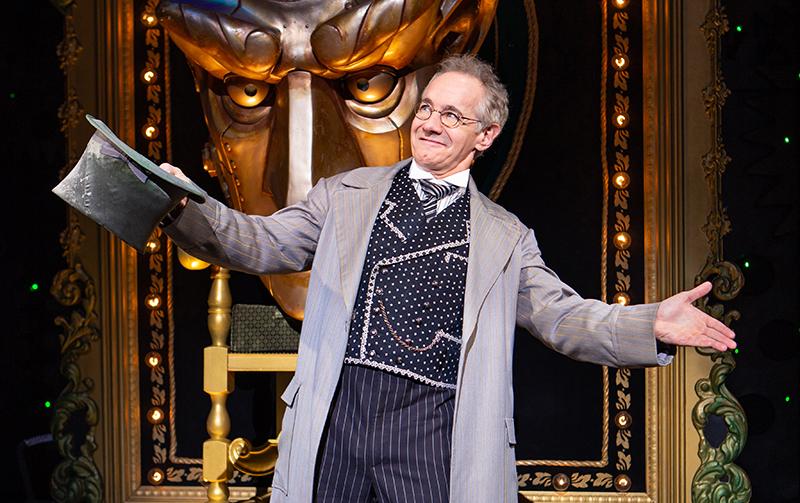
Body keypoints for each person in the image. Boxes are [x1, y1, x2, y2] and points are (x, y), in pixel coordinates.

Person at [160, 55, 736, 503]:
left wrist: (650, 324)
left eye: (453, 116)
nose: (431, 124)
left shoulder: (505, 238)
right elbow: (260, 241)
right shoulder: (345, 195)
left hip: (432, 431)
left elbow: (563, 317)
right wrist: (184, 207)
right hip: (341, 417)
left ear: (485, 136)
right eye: (428, 109)